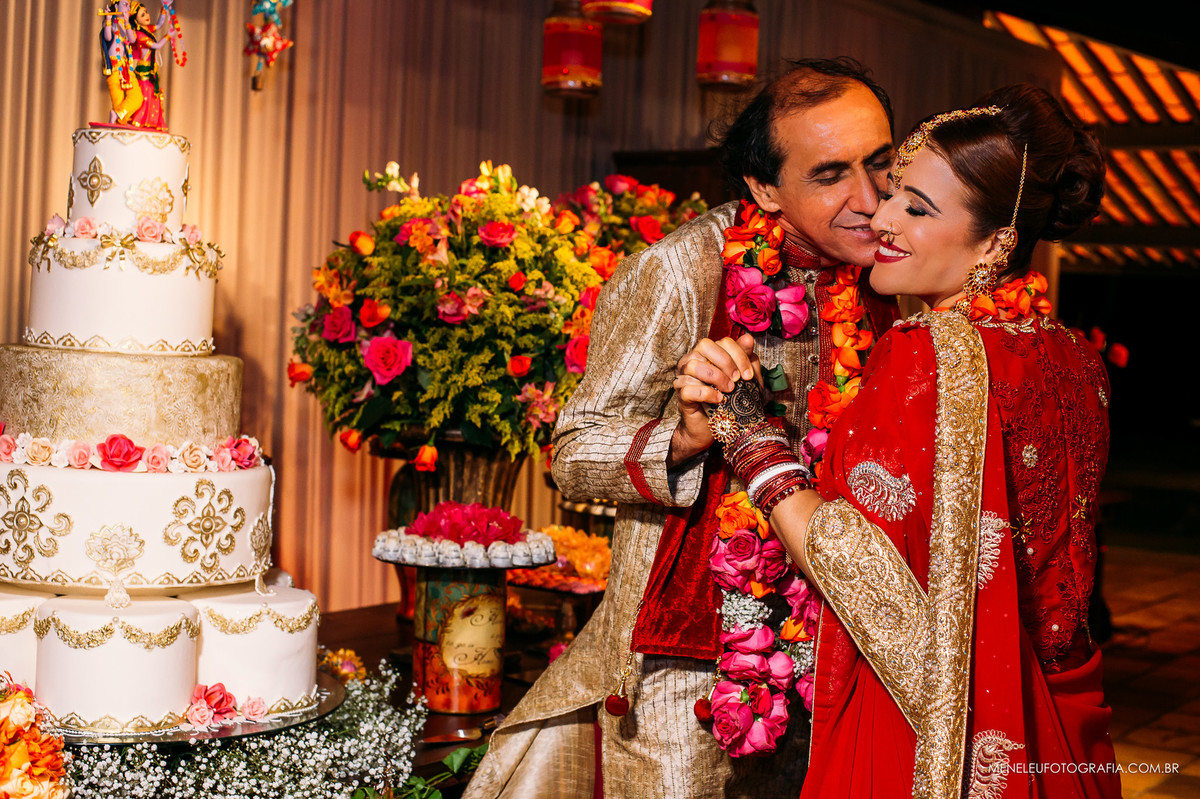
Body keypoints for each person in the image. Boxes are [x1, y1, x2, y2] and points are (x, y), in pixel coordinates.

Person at [465, 58, 898, 799]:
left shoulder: (894, 271)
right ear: (764, 188)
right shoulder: (679, 272)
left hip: (838, 640)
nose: (868, 198)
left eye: (881, 164)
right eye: (830, 175)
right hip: (685, 658)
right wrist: (686, 437)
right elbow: (572, 450)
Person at [696, 83, 1120, 798]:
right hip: (1051, 723)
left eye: (916, 209)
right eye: (893, 193)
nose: (880, 218)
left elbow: (870, 585)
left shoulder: (923, 353)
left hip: (929, 732)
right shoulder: (1072, 357)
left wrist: (750, 435)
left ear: (995, 240)